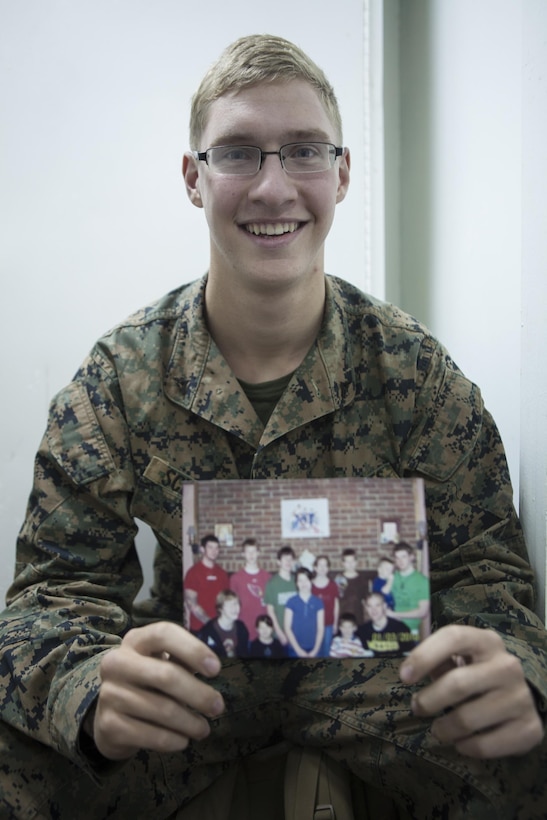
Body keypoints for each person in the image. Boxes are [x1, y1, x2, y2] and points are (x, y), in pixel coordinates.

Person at [0, 32, 545, 820]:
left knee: (528, 748)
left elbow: (488, 578)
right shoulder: (120, 378)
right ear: (193, 177)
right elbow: (50, 597)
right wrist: (88, 693)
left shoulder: (413, 372)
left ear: (342, 173)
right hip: (195, 692)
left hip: (378, 689)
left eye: (303, 152)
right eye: (238, 154)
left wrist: (516, 670)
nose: (272, 187)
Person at [183, 534, 230, 633]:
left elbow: (226, 601)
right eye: (210, 547)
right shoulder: (193, 573)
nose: (214, 551)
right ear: (202, 549)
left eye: (217, 548)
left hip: (220, 628)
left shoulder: (222, 574)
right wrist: (211, 624)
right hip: (199, 628)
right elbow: (192, 605)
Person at [229, 537, 271, 640]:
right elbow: (232, 605)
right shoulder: (235, 578)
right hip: (244, 627)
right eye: (248, 552)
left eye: (254, 551)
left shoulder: (268, 577)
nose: (251, 555)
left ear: (258, 553)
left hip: (264, 630)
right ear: (243, 554)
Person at [390, 542, 430, 639]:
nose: (400, 561)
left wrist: (395, 614)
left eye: (403, 557)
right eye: (397, 558)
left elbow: (422, 612)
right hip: (391, 628)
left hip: (411, 631)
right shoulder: (392, 578)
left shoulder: (422, 581)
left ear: (411, 557)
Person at [357, 593, 416, 658]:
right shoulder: (362, 631)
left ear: (384, 606)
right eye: (370, 606)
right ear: (366, 608)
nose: (373, 610)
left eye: (377, 605)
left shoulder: (400, 628)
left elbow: (411, 656)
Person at [284, 567, 325, 658]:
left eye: (306, 580)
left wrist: (315, 650)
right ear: (296, 583)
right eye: (300, 581)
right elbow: (287, 627)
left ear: (311, 581)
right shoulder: (291, 602)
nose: (304, 583)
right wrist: (298, 650)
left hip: (315, 649)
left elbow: (321, 628)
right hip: (295, 650)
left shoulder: (318, 602)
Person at [196, 590, 250, 659]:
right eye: (229, 605)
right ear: (220, 609)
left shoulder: (242, 628)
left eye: (236, 603)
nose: (234, 608)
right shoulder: (207, 632)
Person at [263, 545, 297, 645]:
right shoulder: (272, 583)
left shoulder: (298, 581)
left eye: (291, 559)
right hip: (279, 634)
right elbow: (270, 611)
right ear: (278, 562)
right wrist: (279, 633)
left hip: (296, 633)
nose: (288, 562)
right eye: (285, 559)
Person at [311, 554, 340, 654]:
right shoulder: (310, 585)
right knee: (316, 650)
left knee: (327, 650)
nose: (322, 568)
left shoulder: (333, 585)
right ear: (315, 567)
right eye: (320, 565)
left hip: (328, 624)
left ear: (328, 568)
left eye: (325, 565)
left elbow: (336, 605)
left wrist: (335, 623)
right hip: (314, 625)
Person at [333, 548, 370, 625]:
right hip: (342, 619)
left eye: (352, 561)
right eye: (347, 561)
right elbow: (336, 601)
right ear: (343, 563)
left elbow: (366, 602)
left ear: (356, 562)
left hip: (358, 618)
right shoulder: (339, 579)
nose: (350, 564)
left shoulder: (363, 580)